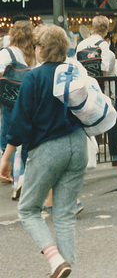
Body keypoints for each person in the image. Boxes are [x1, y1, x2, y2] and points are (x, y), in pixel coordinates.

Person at [0, 25, 88, 278]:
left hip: (49, 148)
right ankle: (64, 267)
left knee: (28, 209)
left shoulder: (34, 77)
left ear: (41, 49)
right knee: (64, 214)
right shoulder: (74, 71)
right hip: (78, 144)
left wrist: (6, 159)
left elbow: (19, 124)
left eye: (37, 45)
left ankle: (56, 261)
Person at [77, 16, 117, 167]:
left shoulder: (81, 44)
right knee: (110, 118)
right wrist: (105, 92)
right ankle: (115, 155)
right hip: (98, 88)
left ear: (92, 27)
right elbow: (104, 69)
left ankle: (84, 157)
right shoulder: (104, 45)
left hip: (82, 87)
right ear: (106, 29)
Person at [0, 15, 35, 201]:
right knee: (27, 141)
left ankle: (17, 180)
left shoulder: (7, 53)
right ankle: (25, 178)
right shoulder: (35, 53)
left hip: (10, 102)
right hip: (31, 101)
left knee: (9, 140)